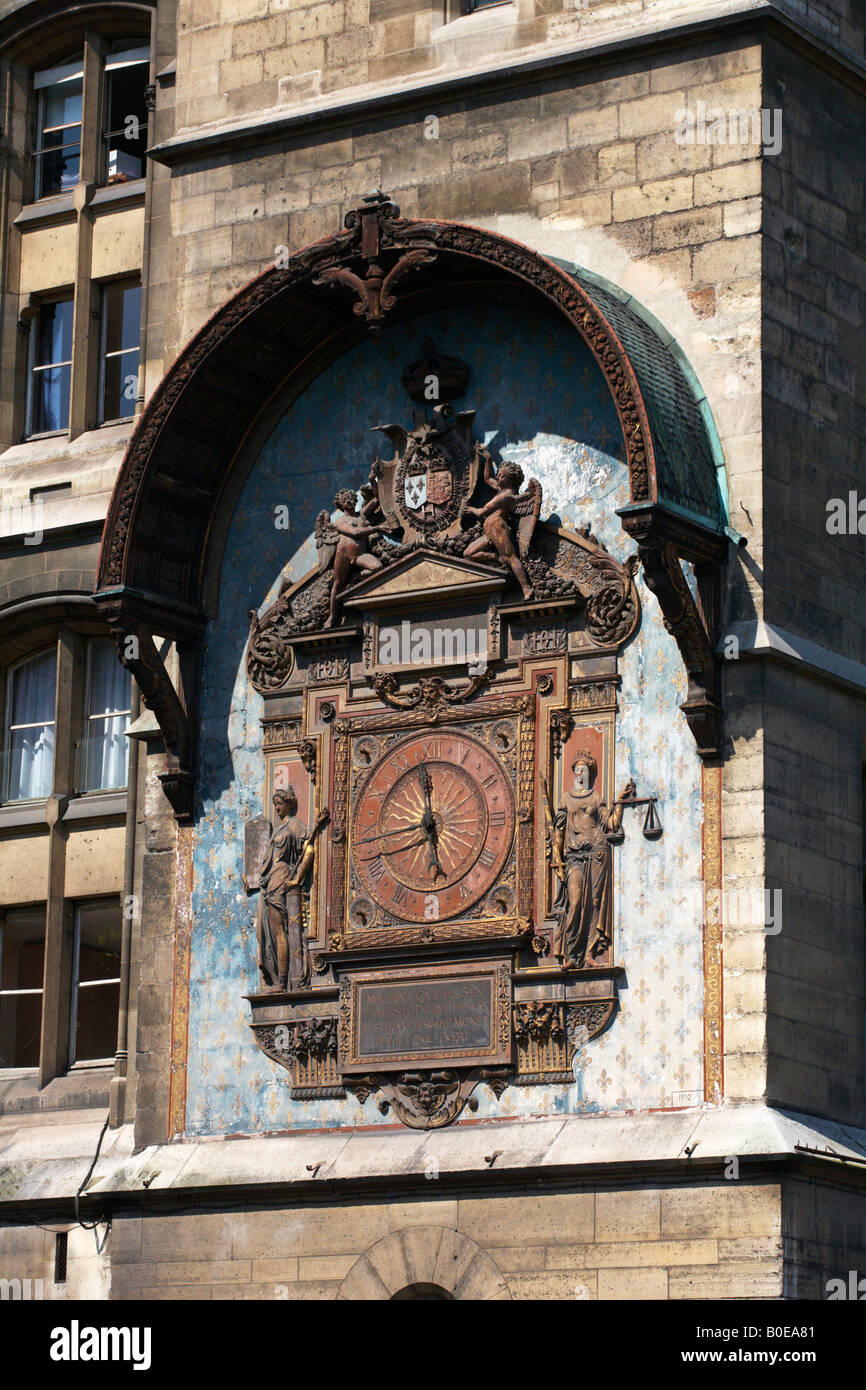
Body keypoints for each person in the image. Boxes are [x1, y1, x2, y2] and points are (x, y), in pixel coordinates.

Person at [553, 751, 635, 968]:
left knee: (594, 903)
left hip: (597, 854)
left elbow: (612, 825)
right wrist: (557, 858)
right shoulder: (566, 799)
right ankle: (572, 954)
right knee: (576, 901)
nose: (581, 773)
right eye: (578, 769)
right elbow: (559, 833)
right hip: (574, 858)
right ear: (573, 772)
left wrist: (620, 801)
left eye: (585, 770)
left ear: (590, 773)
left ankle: (589, 953)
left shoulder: (596, 798)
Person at [256, 788, 328, 992]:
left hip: (282, 878)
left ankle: (282, 981)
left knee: (280, 932)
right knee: (272, 931)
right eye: (275, 804)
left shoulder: (294, 825)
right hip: (270, 881)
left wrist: (297, 879)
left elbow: (309, 849)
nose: (277, 807)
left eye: (280, 803)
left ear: (289, 804)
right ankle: (280, 978)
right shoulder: (278, 829)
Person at [462, 460, 535, 600]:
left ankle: (526, 588)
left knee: (511, 558)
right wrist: (488, 459)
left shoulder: (506, 495)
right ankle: (500, 559)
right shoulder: (502, 489)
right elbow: (487, 478)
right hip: (490, 531)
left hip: (497, 528)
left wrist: (471, 509)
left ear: (509, 480)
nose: (498, 478)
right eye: (499, 474)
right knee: (468, 554)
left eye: (502, 476)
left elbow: (482, 512)